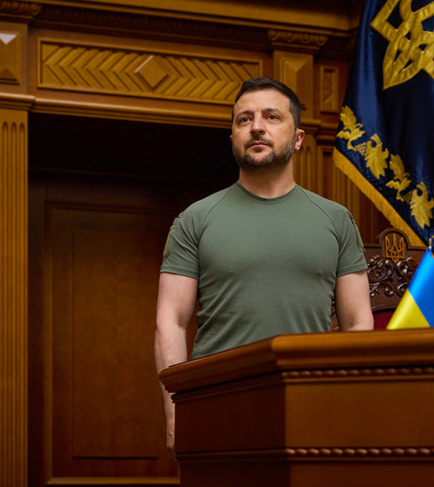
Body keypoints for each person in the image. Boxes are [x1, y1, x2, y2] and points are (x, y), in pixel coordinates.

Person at [154, 77, 373, 455]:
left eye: (272, 117)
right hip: (216, 407)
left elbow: (357, 324)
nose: (256, 126)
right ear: (233, 139)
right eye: (245, 119)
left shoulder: (337, 220)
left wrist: (348, 404)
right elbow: (170, 321)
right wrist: (176, 412)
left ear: (298, 138)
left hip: (311, 407)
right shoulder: (194, 220)